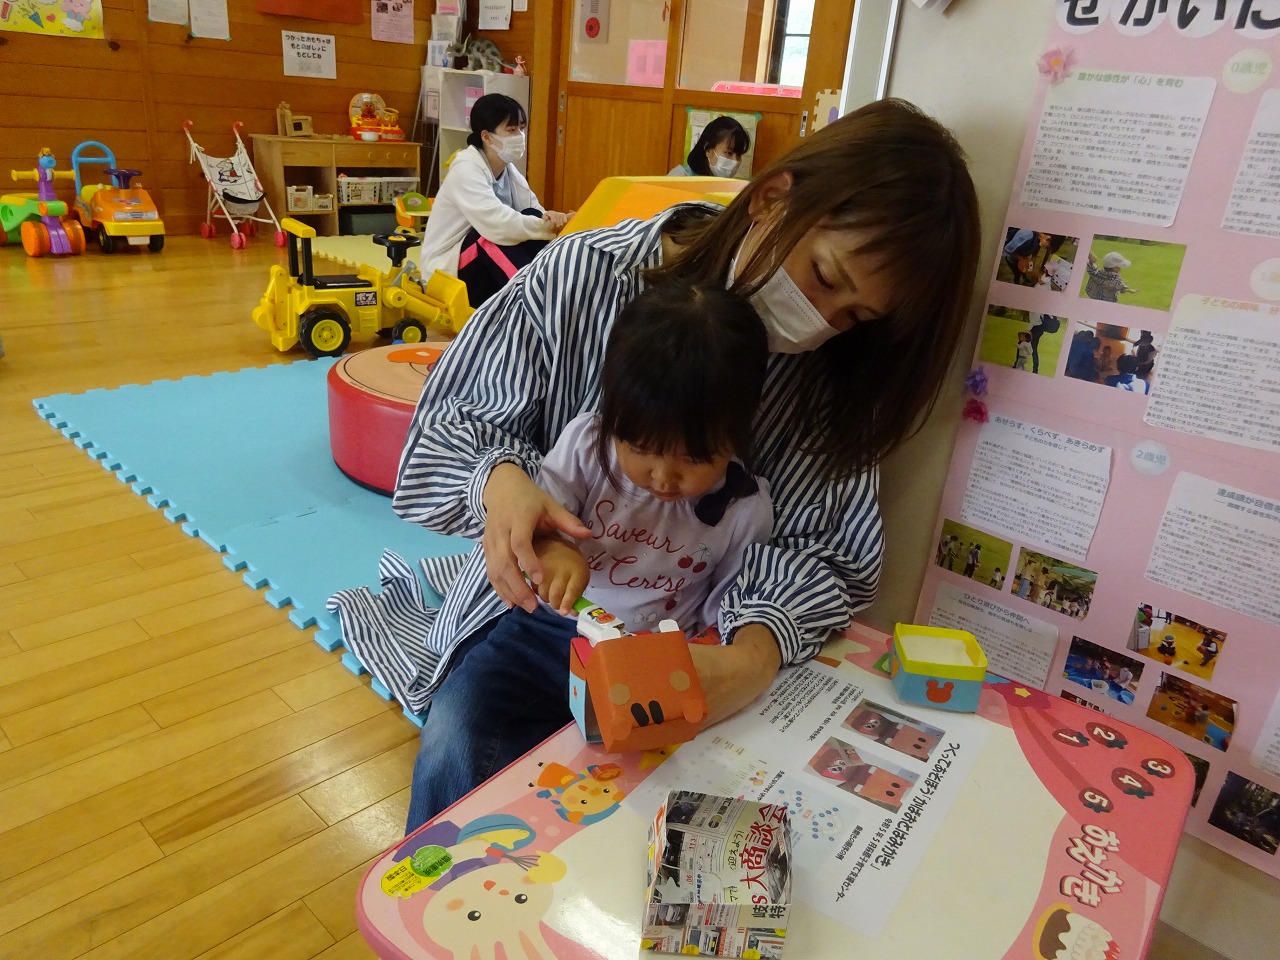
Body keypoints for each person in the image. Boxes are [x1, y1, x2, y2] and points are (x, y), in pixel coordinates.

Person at [392, 98, 982, 831]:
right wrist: (506, 485)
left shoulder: (833, 376)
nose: (823, 323)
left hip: (692, 643)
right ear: (771, 198)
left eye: (856, 316)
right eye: (827, 277)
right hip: (540, 612)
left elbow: (823, 551)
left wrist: (749, 658)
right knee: (464, 742)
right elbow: (451, 424)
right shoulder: (587, 277)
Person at [414, 94, 574, 307]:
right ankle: (538, 302)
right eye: (511, 130)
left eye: (521, 128)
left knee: (530, 215)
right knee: (488, 238)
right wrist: (547, 227)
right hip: (446, 273)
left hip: (479, 269)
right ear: (487, 137)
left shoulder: (508, 170)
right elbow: (497, 225)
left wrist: (555, 220)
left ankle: (558, 289)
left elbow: (533, 210)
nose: (520, 136)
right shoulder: (466, 169)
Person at [669, 116, 751, 178]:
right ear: (708, 150)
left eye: (739, 155)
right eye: (729, 153)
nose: (735, 161)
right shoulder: (680, 176)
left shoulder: (731, 187)